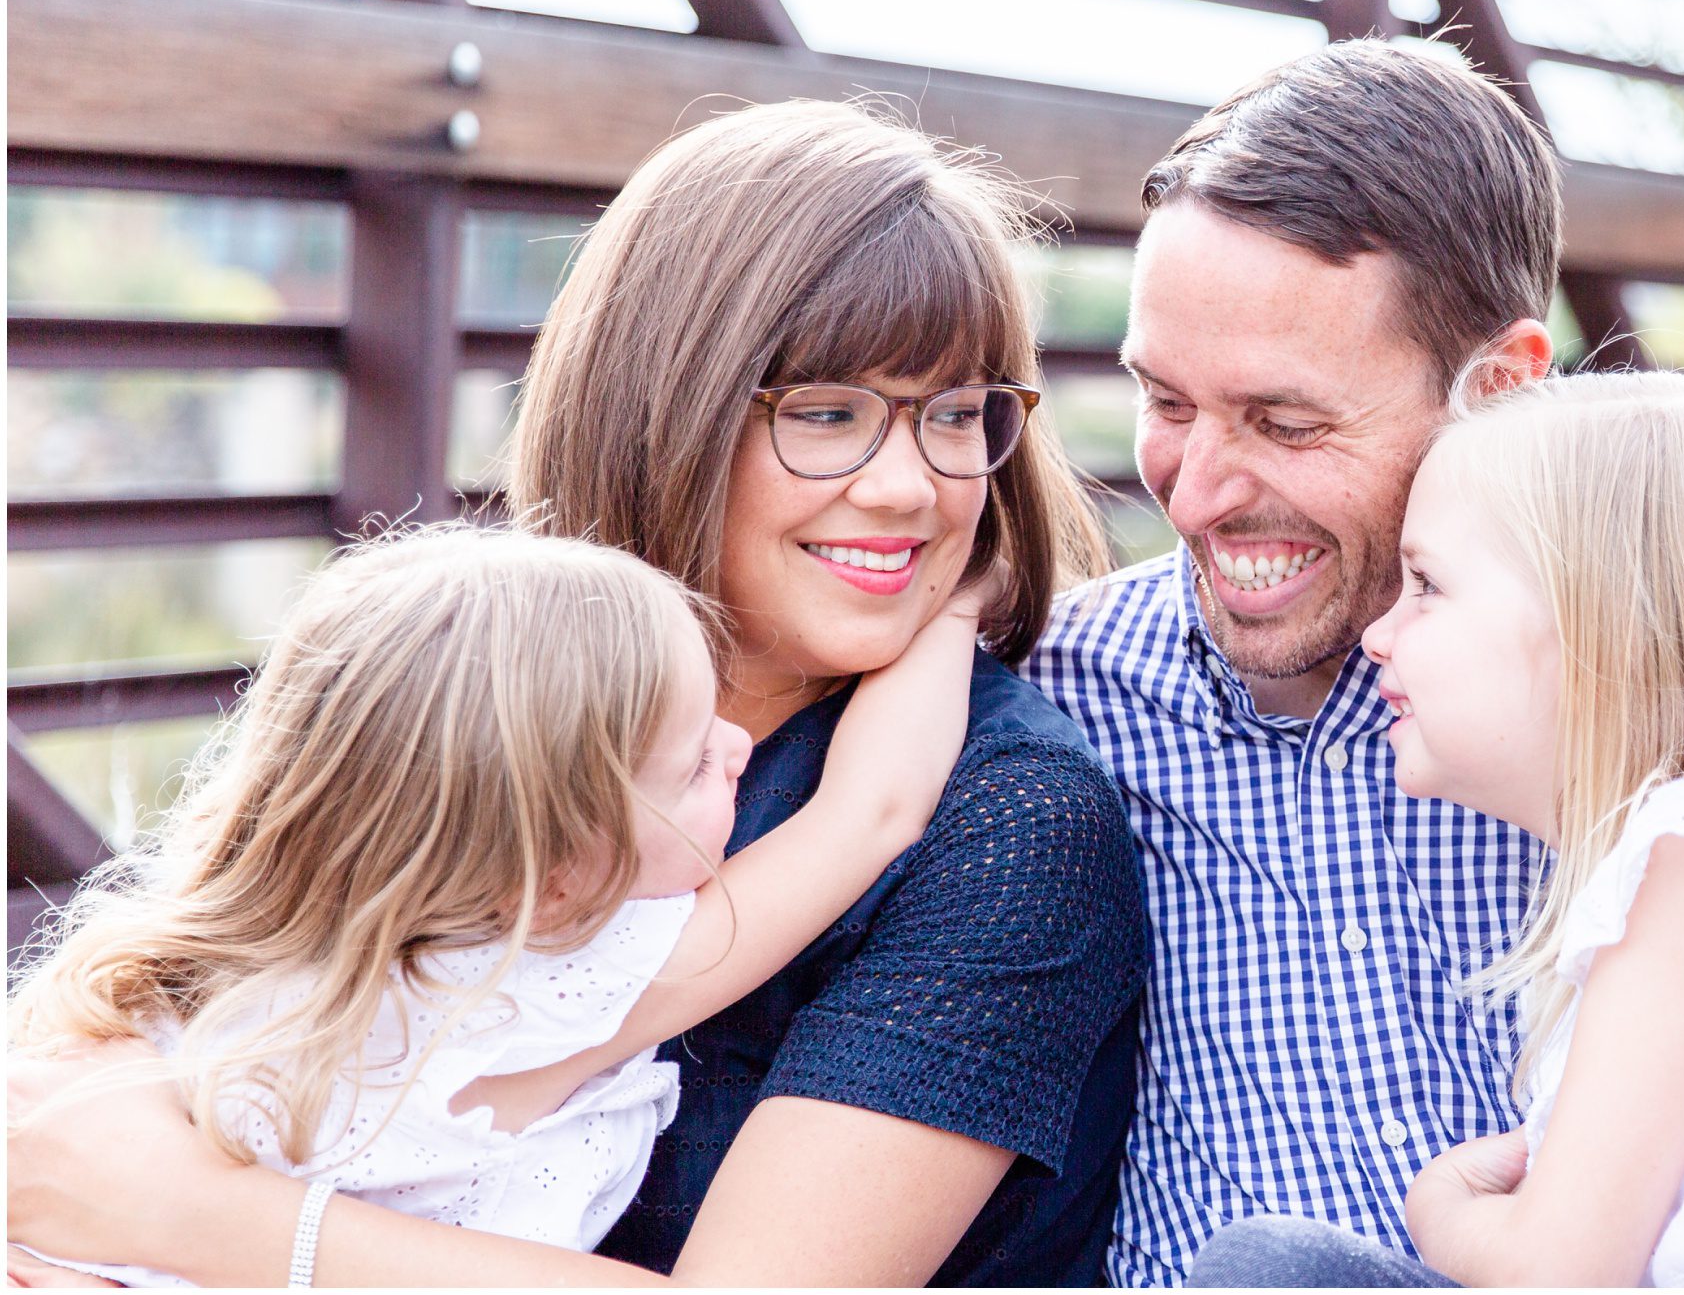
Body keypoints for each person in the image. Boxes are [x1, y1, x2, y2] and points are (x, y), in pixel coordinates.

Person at [6, 100, 1148, 1287]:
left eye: (959, 415)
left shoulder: (1013, 825)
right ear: (669, 401)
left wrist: (190, 1216)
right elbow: (191, 978)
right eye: (826, 413)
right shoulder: (492, 686)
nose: (911, 485)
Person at [1020, 39, 1684, 1285]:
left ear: (1501, 384)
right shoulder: (1071, 691)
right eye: (1161, 400)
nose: (1194, 491)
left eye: (1285, 420)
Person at [11, 521, 986, 1284]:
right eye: (692, 761)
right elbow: (872, 811)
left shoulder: (181, 995)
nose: (736, 747)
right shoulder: (536, 994)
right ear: (557, 874)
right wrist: (958, 587)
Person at [1194, 372, 1684, 1285]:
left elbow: (1560, 1271)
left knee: (1268, 1268)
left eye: (1426, 586)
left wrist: (1439, 1207)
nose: (1381, 632)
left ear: (1593, 626)